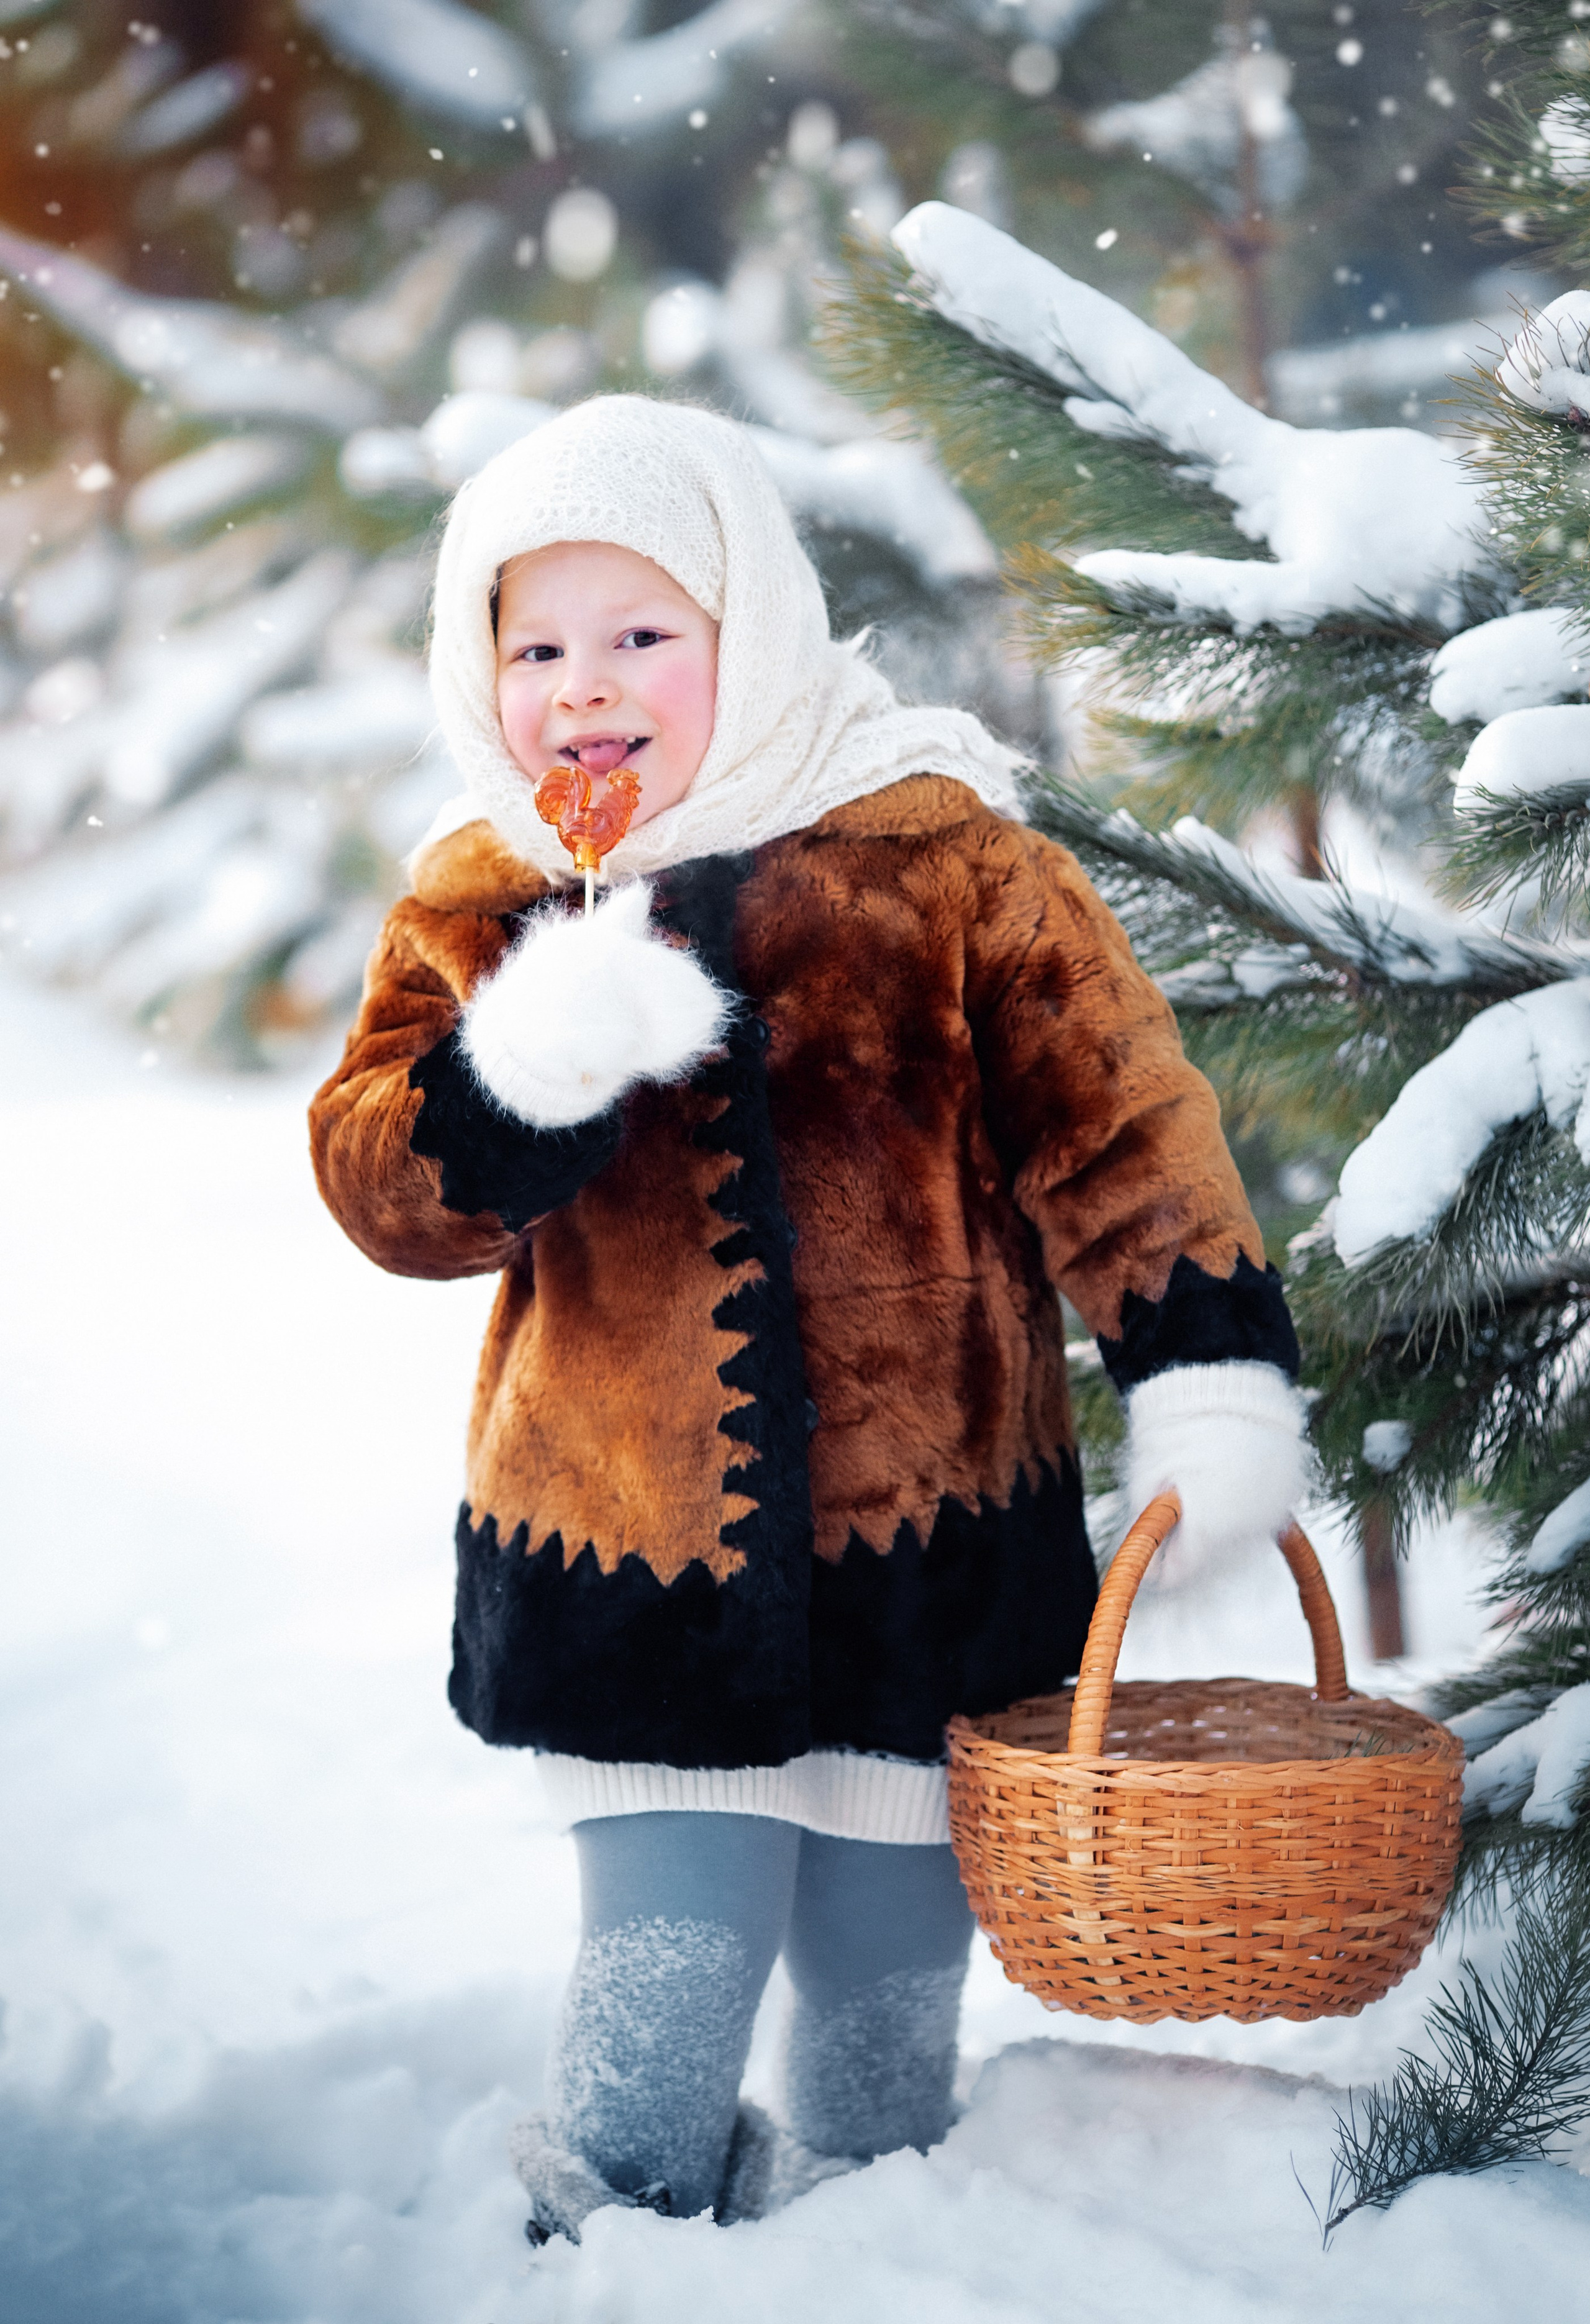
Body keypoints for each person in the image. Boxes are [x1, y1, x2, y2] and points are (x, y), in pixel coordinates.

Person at [309, 395, 1310, 2240]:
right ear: (479, 664)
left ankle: (884, 2223)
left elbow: (1120, 1118)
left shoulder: (942, 862)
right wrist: (517, 1072)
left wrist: (1203, 1361)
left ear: (745, 628)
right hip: (625, 1555)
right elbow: (383, 1187)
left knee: (888, 1949)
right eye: (535, 644)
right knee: (670, 1943)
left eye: (641, 636)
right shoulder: (485, 894)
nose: (584, 688)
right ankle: (608, 2239)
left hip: (935, 1549)